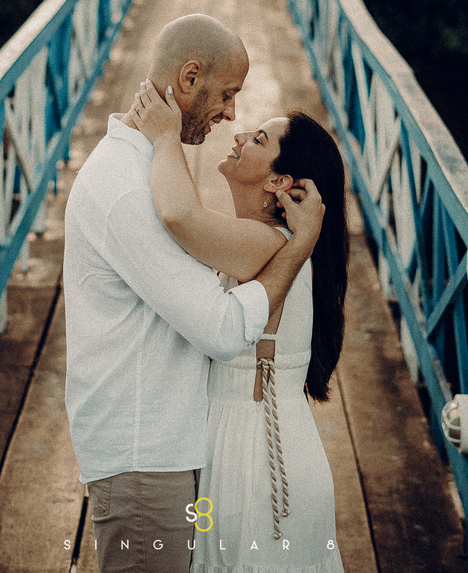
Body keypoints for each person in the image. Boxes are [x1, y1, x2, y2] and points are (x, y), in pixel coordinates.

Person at [63, 14, 326, 573]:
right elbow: (222, 329)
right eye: (228, 94)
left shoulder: (150, 170)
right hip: (142, 459)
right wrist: (297, 251)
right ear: (188, 78)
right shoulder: (129, 189)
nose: (232, 114)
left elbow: (190, 220)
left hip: (170, 452)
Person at [128, 78, 349, 572]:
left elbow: (180, 215)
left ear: (277, 182)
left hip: (258, 463)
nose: (239, 136)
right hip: (245, 448)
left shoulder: (266, 245)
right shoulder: (271, 244)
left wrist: (165, 139)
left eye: (259, 140)